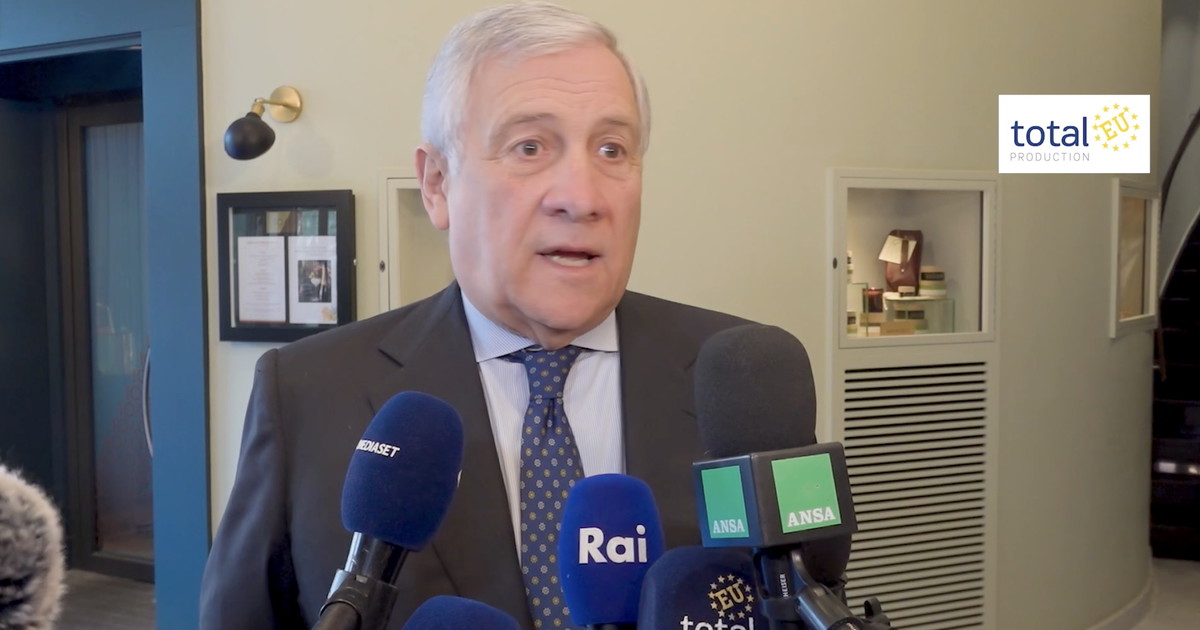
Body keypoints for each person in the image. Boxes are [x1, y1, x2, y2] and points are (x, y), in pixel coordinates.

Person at [199, 3, 750, 629]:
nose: (583, 197)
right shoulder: (306, 392)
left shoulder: (740, 378)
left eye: (612, 148)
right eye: (529, 146)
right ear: (437, 184)